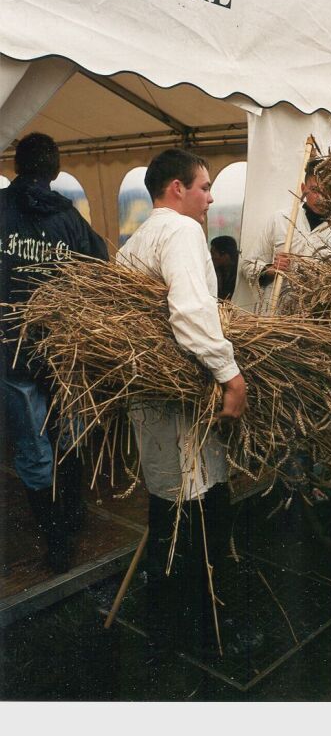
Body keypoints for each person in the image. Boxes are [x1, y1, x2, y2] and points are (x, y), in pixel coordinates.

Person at [116, 148, 250, 652]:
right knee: (199, 508)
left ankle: (167, 627)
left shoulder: (135, 243)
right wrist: (231, 374)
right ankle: (208, 633)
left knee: (168, 504)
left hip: (153, 403)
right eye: (204, 186)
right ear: (177, 188)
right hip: (184, 404)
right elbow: (191, 313)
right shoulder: (181, 231)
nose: (210, 196)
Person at [0, 132, 108, 572]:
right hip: (62, 350)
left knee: (31, 444)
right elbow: (100, 268)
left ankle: (52, 539)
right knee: (68, 433)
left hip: (11, 350)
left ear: (17, 166)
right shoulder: (69, 216)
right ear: (56, 169)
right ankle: (72, 521)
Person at [240, 157, 331, 311]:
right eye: (315, 190)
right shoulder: (280, 220)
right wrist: (272, 269)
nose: (321, 198)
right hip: (277, 317)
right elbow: (248, 265)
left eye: (327, 191)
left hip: (319, 321)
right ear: (303, 188)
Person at [210, 235, 239, 300]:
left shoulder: (238, 271)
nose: (211, 257)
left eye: (213, 253)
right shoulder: (217, 270)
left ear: (225, 255)